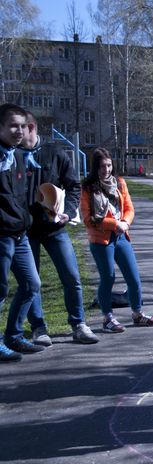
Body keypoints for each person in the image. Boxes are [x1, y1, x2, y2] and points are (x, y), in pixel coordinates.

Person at [13, 112, 99, 345]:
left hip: (54, 229)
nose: (16, 133)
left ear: (31, 127)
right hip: (24, 231)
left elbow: (73, 186)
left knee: (71, 276)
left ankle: (79, 324)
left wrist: (68, 212)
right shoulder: (12, 156)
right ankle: (39, 328)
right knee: (32, 282)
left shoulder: (55, 153)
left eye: (20, 128)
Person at [80, 148, 153, 333]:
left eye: (108, 165)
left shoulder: (120, 183)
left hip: (122, 236)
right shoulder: (88, 187)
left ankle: (138, 314)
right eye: (101, 166)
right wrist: (114, 223)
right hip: (101, 240)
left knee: (133, 278)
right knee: (108, 277)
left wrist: (125, 222)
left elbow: (129, 208)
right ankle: (107, 318)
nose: (106, 170)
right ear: (95, 168)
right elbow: (88, 218)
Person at [0, 103, 43, 362]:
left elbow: (19, 196)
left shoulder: (16, 155)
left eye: (22, 126)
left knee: (31, 285)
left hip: (20, 233)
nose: (19, 131)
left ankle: (13, 336)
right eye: (13, 126)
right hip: (2, 235)